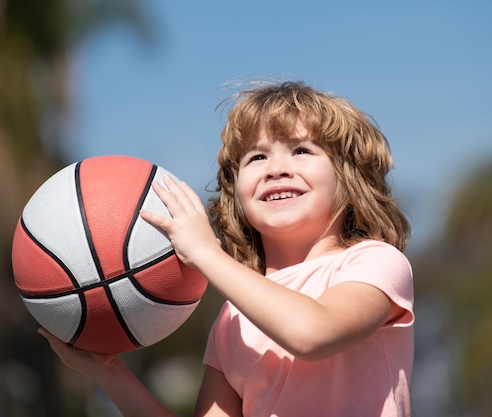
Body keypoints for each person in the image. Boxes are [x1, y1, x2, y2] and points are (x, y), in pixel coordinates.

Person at [39, 81, 414, 417]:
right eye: (257, 157)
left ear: (348, 180)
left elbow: (312, 333)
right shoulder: (233, 318)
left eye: (300, 151)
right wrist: (108, 372)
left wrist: (205, 254)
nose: (276, 168)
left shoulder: (374, 262)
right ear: (237, 195)